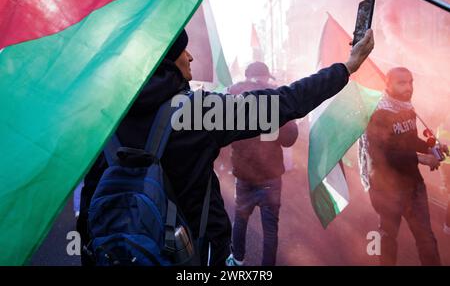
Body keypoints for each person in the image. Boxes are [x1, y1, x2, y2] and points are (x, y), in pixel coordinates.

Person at [77, 28, 374, 266]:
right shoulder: (197, 112)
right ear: (165, 61)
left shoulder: (104, 118)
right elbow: (282, 103)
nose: (191, 56)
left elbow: (90, 204)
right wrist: (347, 67)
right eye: (182, 49)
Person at [359, 67, 448, 266]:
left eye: (410, 82)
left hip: (413, 186)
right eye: (402, 83)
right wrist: (423, 159)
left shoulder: (407, 108)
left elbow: (410, 140)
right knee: (388, 239)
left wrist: (430, 147)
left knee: (426, 239)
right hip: (387, 190)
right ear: (388, 85)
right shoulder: (378, 114)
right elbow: (383, 154)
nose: (408, 87)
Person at [225, 62, 298, 266]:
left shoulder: (232, 95)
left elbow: (221, 133)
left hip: (244, 173)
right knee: (270, 228)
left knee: (240, 220)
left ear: (247, 76)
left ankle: (237, 261)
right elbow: (289, 138)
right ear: (266, 77)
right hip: (270, 174)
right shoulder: (276, 96)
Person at [437, 114, 450, 234]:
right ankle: (448, 226)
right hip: (447, 166)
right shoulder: (444, 127)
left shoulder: (441, 126)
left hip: (445, 165)